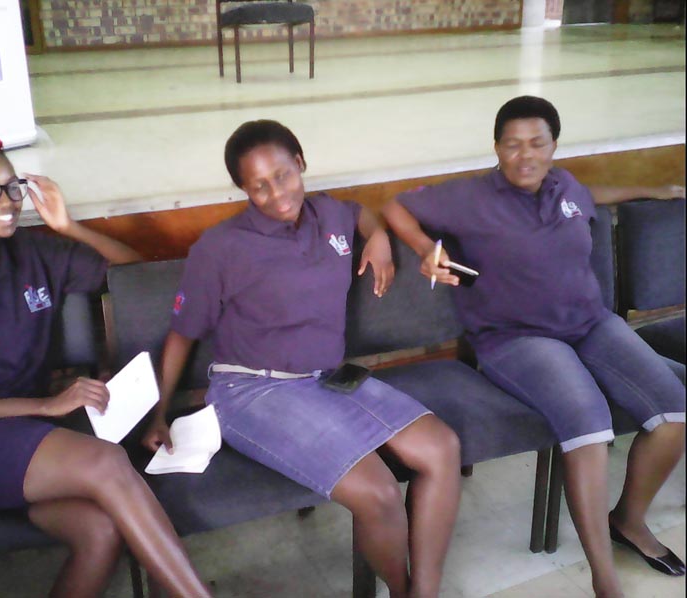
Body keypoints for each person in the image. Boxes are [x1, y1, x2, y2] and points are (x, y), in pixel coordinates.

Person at [141, 119, 462, 598]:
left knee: (442, 448)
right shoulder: (221, 248)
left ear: (300, 163)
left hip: (326, 378)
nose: (277, 194)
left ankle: (425, 593)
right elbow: (181, 335)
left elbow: (360, 213)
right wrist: (159, 412)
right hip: (252, 389)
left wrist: (376, 234)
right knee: (378, 494)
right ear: (243, 189)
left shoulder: (329, 214)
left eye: (283, 175)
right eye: (259, 186)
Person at [382, 96, 686, 597]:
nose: (525, 155)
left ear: (554, 146)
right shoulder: (469, 197)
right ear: (496, 147)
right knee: (588, 426)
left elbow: (591, 195)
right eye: (512, 144)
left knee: (676, 412)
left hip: (590, 323)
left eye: (537, 143)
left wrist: (653, 188)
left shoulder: (564, 186)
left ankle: (629, 520)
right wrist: (424, 248)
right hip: (515, 337)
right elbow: (397, 206)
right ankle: (604, 578)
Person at [0, 134, 212, 598]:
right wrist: (45, 405)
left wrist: (69, 227)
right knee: (105, 462)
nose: (6, 201)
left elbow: (135, 274)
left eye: (12, 187)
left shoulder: (31, 252)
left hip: (25, 439)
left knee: (99, 531)